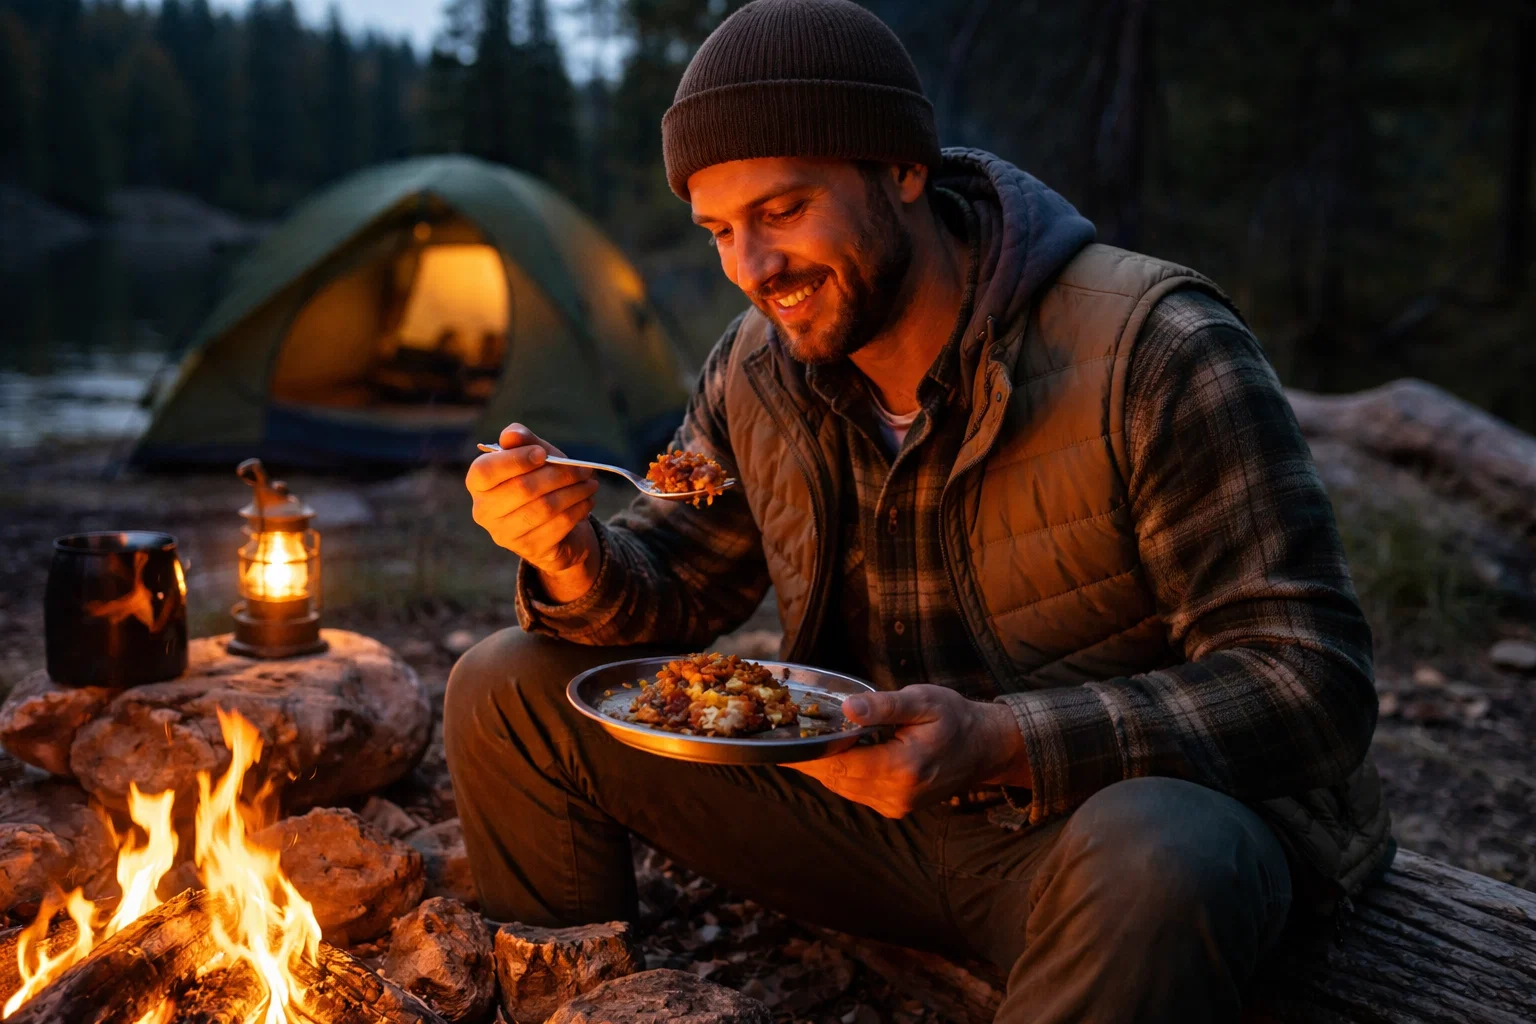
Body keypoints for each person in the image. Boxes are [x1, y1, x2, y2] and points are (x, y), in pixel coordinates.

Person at [446, 1, 1392, 1020]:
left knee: (1165, 854)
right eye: (720, 230)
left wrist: (1002, 738)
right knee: (505, 686)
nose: (754, 270)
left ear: (903, 170)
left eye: (783, 210)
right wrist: (572, 552)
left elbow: (1310, 680)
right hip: (858, 811)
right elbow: (673, 580)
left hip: (1085, 839)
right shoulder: (759, 368)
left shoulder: (1154, 348)